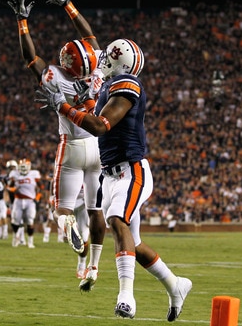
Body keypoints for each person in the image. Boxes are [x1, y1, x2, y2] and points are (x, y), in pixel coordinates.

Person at [37, 36, 192, 320]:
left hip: (131, 170)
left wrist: (63, 106)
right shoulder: (110, 85)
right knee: (134, 243)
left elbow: (100, 126)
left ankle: (125, 298)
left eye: (109, 57)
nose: (102, 60)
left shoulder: (127, 84)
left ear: (119, 63)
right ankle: (175, 284)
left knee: (116, 221)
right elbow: (90, 46)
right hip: (109, 174)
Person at [7, 0, 106, 291]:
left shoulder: (54, 76)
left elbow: (30, 58)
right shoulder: (98, 67)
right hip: (99, 147)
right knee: (96, 210)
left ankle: (67, 227)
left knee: (61, 210)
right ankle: (93, 267)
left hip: (73, 146)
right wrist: (68, 4)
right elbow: (89, 36)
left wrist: (23, 22)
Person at [7, 158, 42, 248]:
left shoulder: (34, 174)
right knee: (15, 221)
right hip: (18, 200)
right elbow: (9, 187)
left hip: (30, 201)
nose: (23, 169)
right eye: (21, 167)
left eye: (25, 167)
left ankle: (30, 242)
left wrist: (38, 197)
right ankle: (15, 238)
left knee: (30, 221)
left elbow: (41, 186)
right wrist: (13, 189)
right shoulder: (14, 174)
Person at [5, 160, 26, 244]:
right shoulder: (7, 178)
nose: (11, 169)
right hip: (12, 200)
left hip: (20, 199)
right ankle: (20, 238)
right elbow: (6, 190)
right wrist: (7, 199)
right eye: (10, 168)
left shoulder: (20, 176)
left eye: (13, 167)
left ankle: (21, 239)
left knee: (20, 220)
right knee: (15, 220)